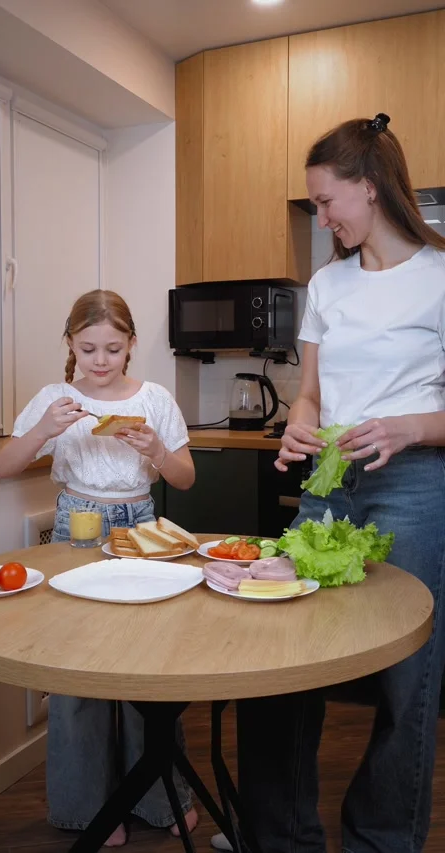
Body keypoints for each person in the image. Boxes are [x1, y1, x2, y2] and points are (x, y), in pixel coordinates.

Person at [213, 113, 445, 853]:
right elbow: (309, 392)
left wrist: (410, 426)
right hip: (328, 484)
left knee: (409, 684)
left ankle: (381, 839)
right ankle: (279, 837)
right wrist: (298, 425)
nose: (321, 216)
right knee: (283, 661)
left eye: (325, 201)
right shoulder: (326, 283)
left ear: (369, 189)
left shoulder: (441, 276)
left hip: (412, 484)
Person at [0, 289, 198, 847]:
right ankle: (87, 809)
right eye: (89, 349)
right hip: (76, 527)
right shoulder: (54, 397)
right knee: (76, 672)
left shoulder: (155, 398)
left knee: (146, 669)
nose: (102, 360)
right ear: (70, 345)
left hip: (142, 526)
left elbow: (184, 478)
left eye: (113, 347)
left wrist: (156, 448)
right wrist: (44, 431)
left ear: (132, 344)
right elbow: (3, 467)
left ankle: (162, 799)